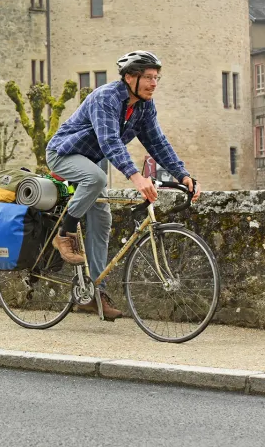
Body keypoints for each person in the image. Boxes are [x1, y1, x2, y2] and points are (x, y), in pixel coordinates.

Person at [46, 51, 200, 320]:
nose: (154, 83)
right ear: (130, 77)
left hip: (92, 161)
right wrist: (135, 176)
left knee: (102, 220)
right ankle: (65, 233)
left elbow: (157, 142)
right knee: (96, 178)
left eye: (157, 78)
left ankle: (94, 293)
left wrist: (182, 175)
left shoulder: (144, 106)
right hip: (64, 154)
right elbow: (109, 142)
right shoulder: (106, 97)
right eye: (149, 77)